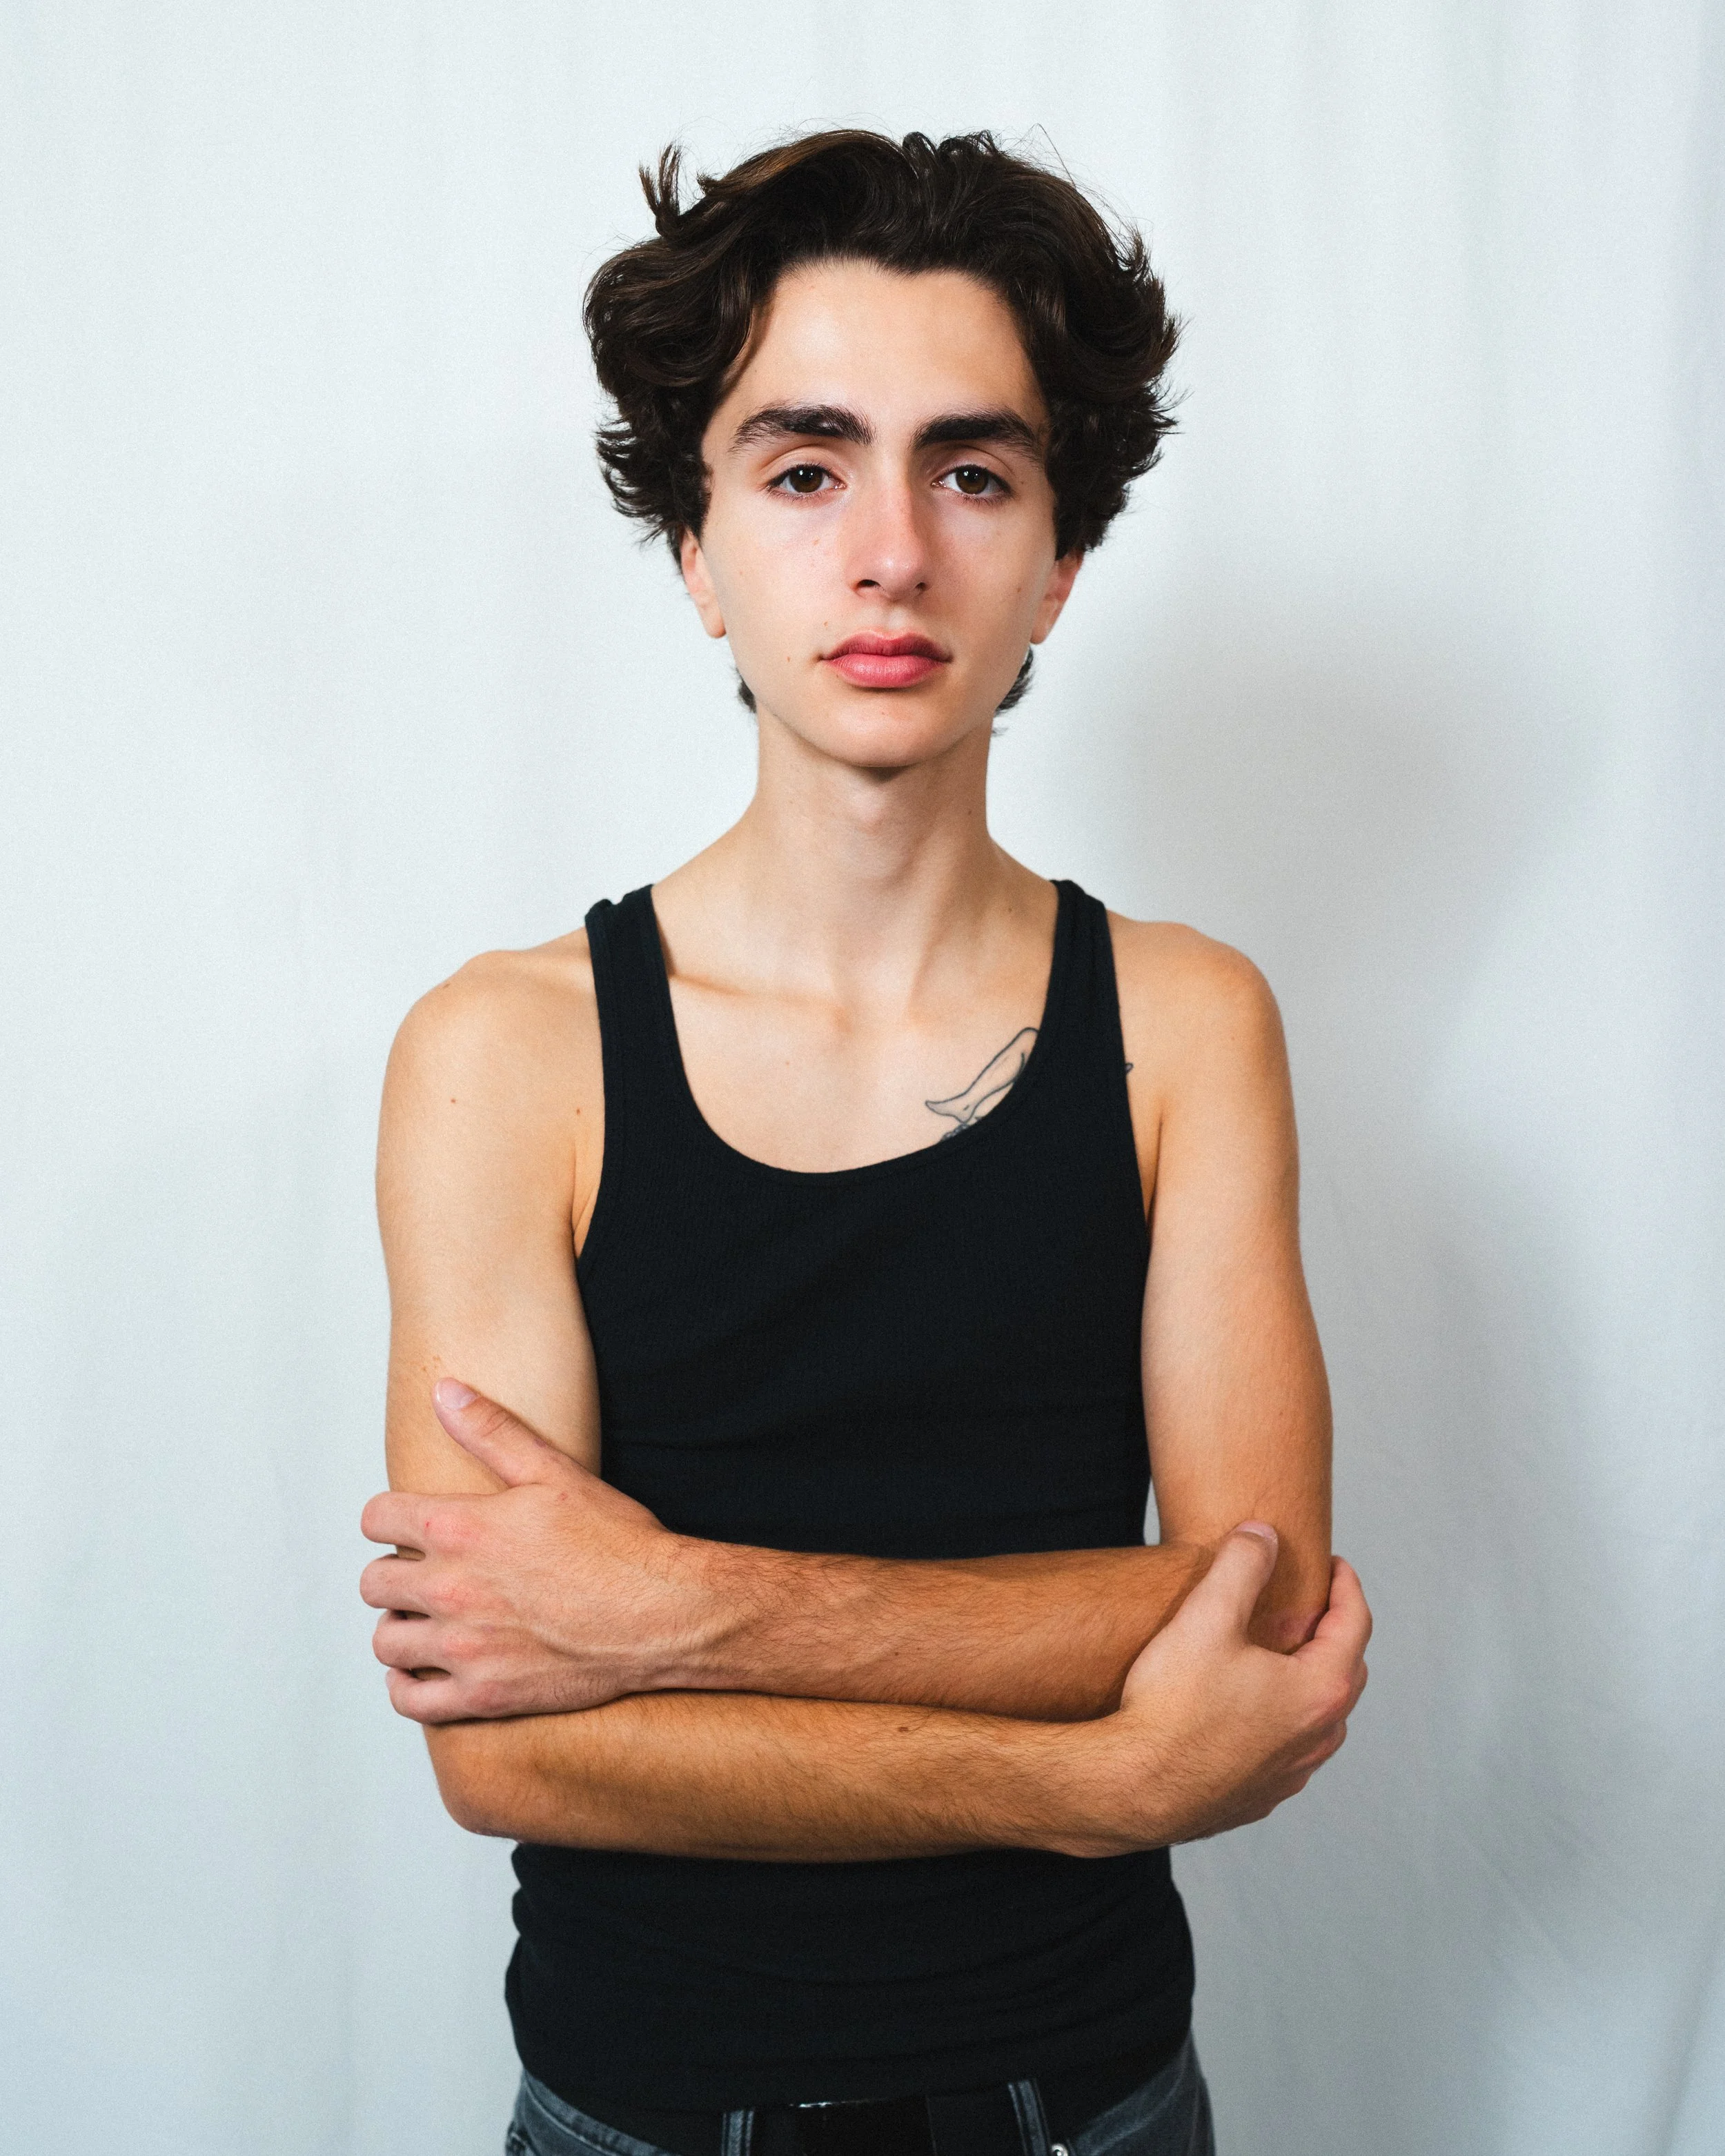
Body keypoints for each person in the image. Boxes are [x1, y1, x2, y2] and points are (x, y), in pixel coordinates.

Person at [359, 129, 1370, 2156]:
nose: (890, 550)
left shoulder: (1178, 1023)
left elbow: (1249, 1613)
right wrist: (1089, 1772)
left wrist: (673, 1610)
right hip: (644, 2102)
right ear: (700, 549)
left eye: (971, 470)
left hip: (1083, 2097)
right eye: (805, 468)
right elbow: (510, 1753)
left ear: (1059, 565)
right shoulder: (508, 1051)